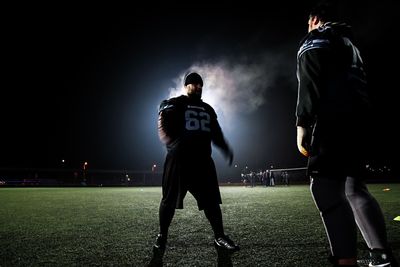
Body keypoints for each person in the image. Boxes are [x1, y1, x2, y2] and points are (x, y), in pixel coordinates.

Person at [295, 2, 398, 267]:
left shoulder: (316, 37)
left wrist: (302, 124)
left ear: (315, 19)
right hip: (361, 120)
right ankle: (381, 254)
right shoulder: (349, 43)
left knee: (324, 186)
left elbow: (310, 80)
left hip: (334, 119)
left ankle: (345, 260)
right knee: (353, 187)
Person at [151, 72, 239, 264]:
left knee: (212, 202)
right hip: (179, 161)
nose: (198, 87)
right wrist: (173, 145)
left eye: (200, 84)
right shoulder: (173, 102)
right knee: (168, 201)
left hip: (203, 162)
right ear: (186, 86)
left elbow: (216, 133)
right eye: (193, 84)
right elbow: (162, 123)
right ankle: (162, 236)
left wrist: (225, 148)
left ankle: (219, 236)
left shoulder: (208, 108)